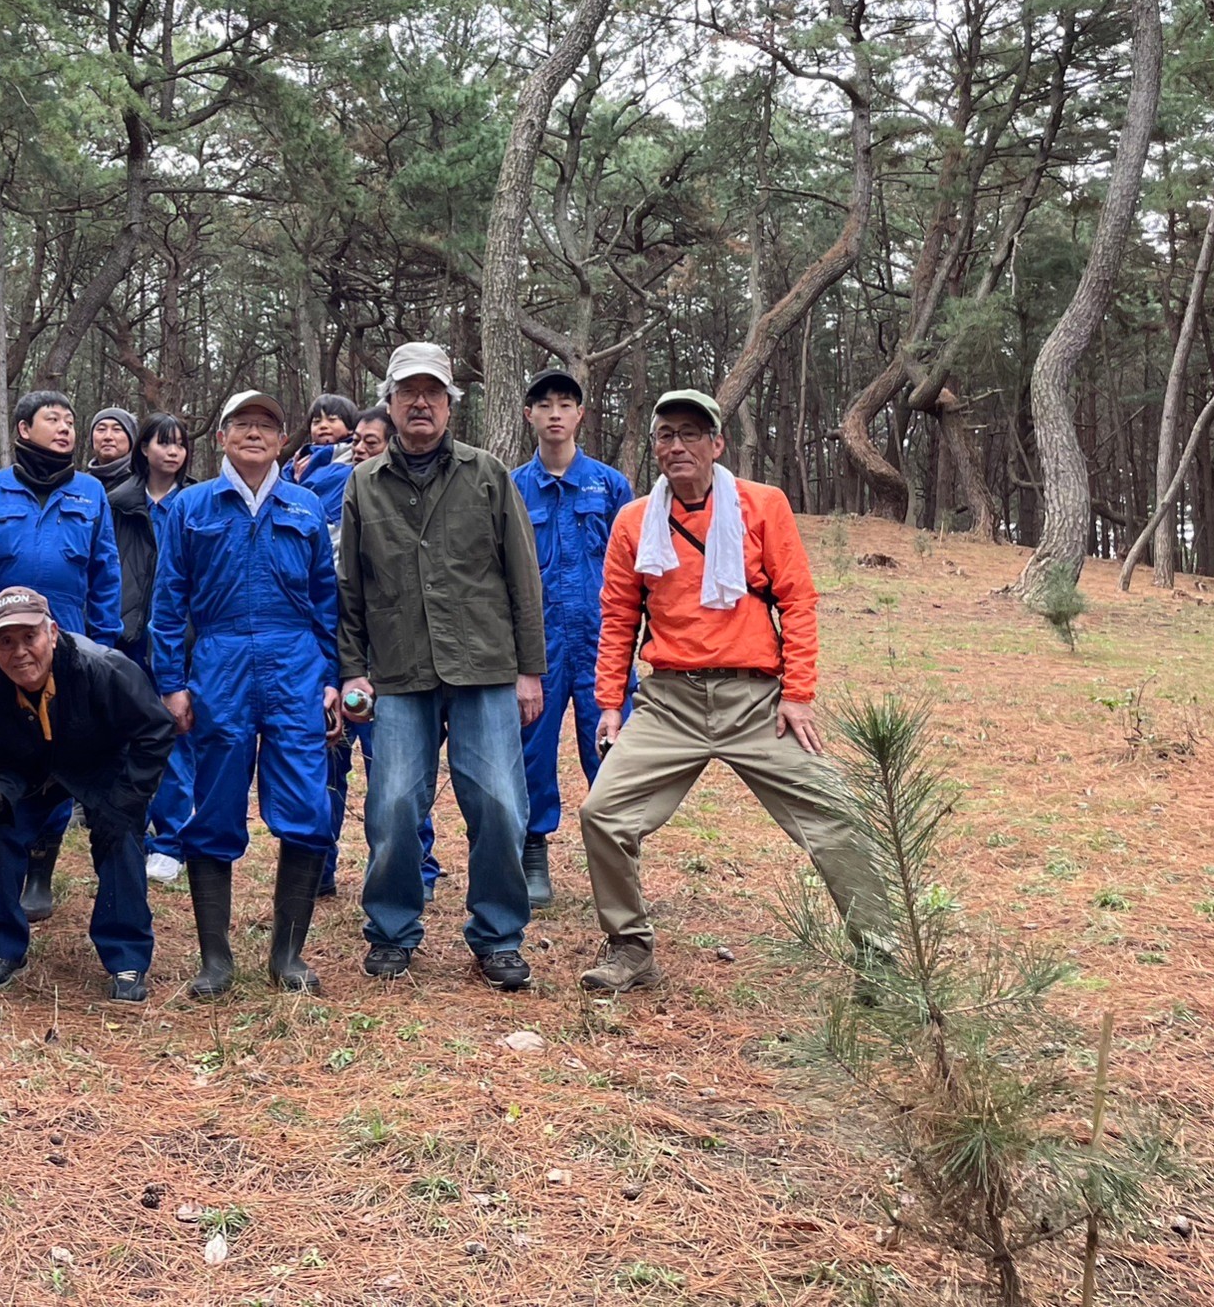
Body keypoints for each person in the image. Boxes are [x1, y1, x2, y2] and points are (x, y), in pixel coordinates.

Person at [578, 390, 888, 993]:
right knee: (602, 812)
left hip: (757, 703)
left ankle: (882, 958)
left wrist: (797, 694)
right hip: (669, 702)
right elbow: (618, 617)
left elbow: (798, 600)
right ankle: (630, 948)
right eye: (666, 435)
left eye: (692, 433)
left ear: (717, 444)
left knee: (838, 814)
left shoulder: (762, 505)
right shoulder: (635, 520)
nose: (678, 445)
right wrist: (611, 705)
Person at [337, 342, 546, 991]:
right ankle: (393, 930)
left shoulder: (488, 474)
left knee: (502, 805)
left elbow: (523, 578)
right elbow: (350, 589)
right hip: (398, 671)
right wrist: (351, 671)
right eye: (408, 392)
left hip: (484, 665)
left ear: (451, 402)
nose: (420, 403)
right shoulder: (363, 485)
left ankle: (498, 934)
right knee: (394, 804)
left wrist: (530, 670)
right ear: (392, 403)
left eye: (433, 392)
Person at [152, 391, 340, 995]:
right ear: (223, 436)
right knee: (213, 808)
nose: (254, 433)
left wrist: (332, 677)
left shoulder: (306, 507)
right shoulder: (191, 507)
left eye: (267, 425)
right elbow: (167, 602)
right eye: (242, 423)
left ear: (283, 440)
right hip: (219, 663)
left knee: (308, 809)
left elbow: (327, 603)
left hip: (295, 667)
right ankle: (216, 960)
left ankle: (287, 957)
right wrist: (171, 684)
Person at [0, 390, 122, 925]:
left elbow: (105, 574)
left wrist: (104, 647)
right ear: (24, 429)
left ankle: (41, 868)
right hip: (2, 650)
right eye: (54, 419)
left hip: (67, 646)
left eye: (71, 420)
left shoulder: (91, 493)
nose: (67, 428)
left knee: (62, 755)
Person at [0, 588, 176, 1002]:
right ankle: (0, 945)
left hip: (100, 766)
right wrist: (1, 795)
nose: (20, 652)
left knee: (120, 836)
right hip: (34, 775)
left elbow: (155, 731)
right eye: (6, 641)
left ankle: (126, 955)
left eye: (30, 637)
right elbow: (2, 764)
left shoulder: (106, 669)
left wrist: (125, 800)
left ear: (53, 632)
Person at [509, 368, 636, 910]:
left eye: (566, 403)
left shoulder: (611, 486)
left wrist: (631, 643)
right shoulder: (511, 487)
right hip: (536, 646)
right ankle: (532, 851)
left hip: (601, 643)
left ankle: (618, 860)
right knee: (530, 749)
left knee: (610, 751)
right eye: (544, 404)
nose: (555, 413)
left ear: (581, 415)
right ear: (529, 416)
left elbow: (636, 571)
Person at [318, 404, 439, 900]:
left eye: (373, 441)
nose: (362, 449)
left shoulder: (401, 502)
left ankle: (415, 865)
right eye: (358, 441)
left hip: (388, 655)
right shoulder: (330, 488)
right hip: (333, 645)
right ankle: (319, 866)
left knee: (395, 769)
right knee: (328, 760)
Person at [120, 413, 199, 885]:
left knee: (175, 738)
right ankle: (127, 830)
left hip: (179, 641)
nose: (172, 452)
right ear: (143, 448)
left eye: (180, 445)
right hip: (126, 638)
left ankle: (169, 841)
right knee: (127, 739)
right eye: (162, 443)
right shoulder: (117, 503)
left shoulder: (197, 503)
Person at [282, 393, 360, 530]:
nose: (323, 426)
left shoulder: (355, 453)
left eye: (332, 420)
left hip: (339, 529)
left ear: (350, 427)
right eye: (316, 422)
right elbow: (281, 491)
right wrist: (295, 483)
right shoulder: (301, 457)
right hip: (302, 526)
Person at [87, 407, 140, 493]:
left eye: (117, 430)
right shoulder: (81, 484)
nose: (108, 437)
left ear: (131, 438)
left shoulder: (143, 483)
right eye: (101, 429)